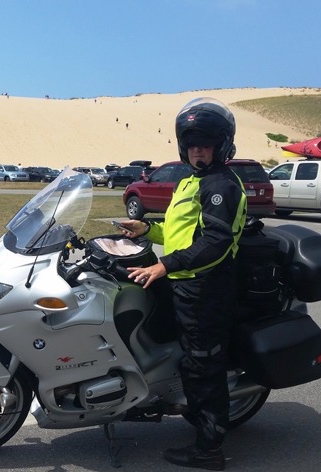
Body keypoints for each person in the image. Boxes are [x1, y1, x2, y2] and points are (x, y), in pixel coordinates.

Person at [117, 97, 247, 470]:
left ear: (221, 145)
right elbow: (184, 233)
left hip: (205, 288)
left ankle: (209, 450)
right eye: (191, 145)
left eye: (204, 144)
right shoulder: (193, 180)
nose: (197, 151)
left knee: (201, 367)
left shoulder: (221, 184)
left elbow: (215, 243)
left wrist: (163, 265)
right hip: (183, 280)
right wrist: (148, 228)